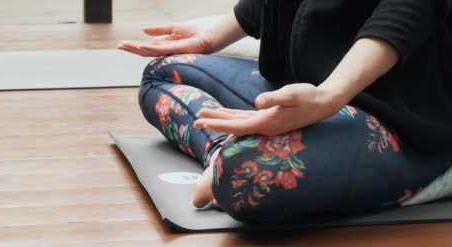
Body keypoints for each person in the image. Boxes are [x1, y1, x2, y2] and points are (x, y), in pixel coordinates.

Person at [117, 0, 452, 225]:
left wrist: (329, 96)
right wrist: (210, 37)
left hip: (394, 121)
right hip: (304, 94)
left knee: (240, 177)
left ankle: (234, 153)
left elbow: (406, 11)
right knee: (163, 72)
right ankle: (224, 145)